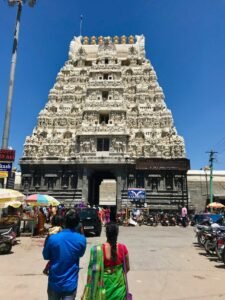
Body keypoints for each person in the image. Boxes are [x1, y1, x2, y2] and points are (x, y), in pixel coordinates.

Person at [43, 209, 86, 300]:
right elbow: (80, 254)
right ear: (77, 223)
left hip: (54, 282)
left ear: (65, 222)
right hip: (70, 283)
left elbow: (45, 256)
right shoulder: (81, 240)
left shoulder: (53, 238)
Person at [83, 222, 130, 300]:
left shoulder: (97, 250)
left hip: (103, 289)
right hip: (120, 289)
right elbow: (127, 268)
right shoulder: (123, 248)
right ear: (117, 233)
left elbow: (94, 270)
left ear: (106, 233)